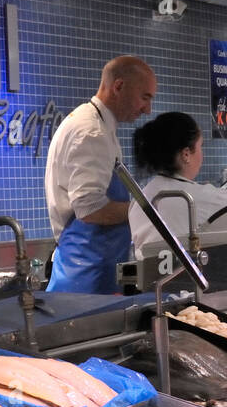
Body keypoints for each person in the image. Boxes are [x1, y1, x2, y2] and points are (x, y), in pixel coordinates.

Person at [44, 55, 157, 293]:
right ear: (118, 86)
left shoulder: (98, 125)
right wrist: (145, 211)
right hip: (85, 273)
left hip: (96, 267)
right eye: (144, 97)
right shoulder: (92, 132)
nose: (147, 109)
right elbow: (90, 209)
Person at [128, 111, 227, 257]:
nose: (201, 154)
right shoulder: (205, 197)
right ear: (186, 154)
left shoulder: (139, 200)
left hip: (148, 278)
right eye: (200, 146)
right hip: (189, 278)